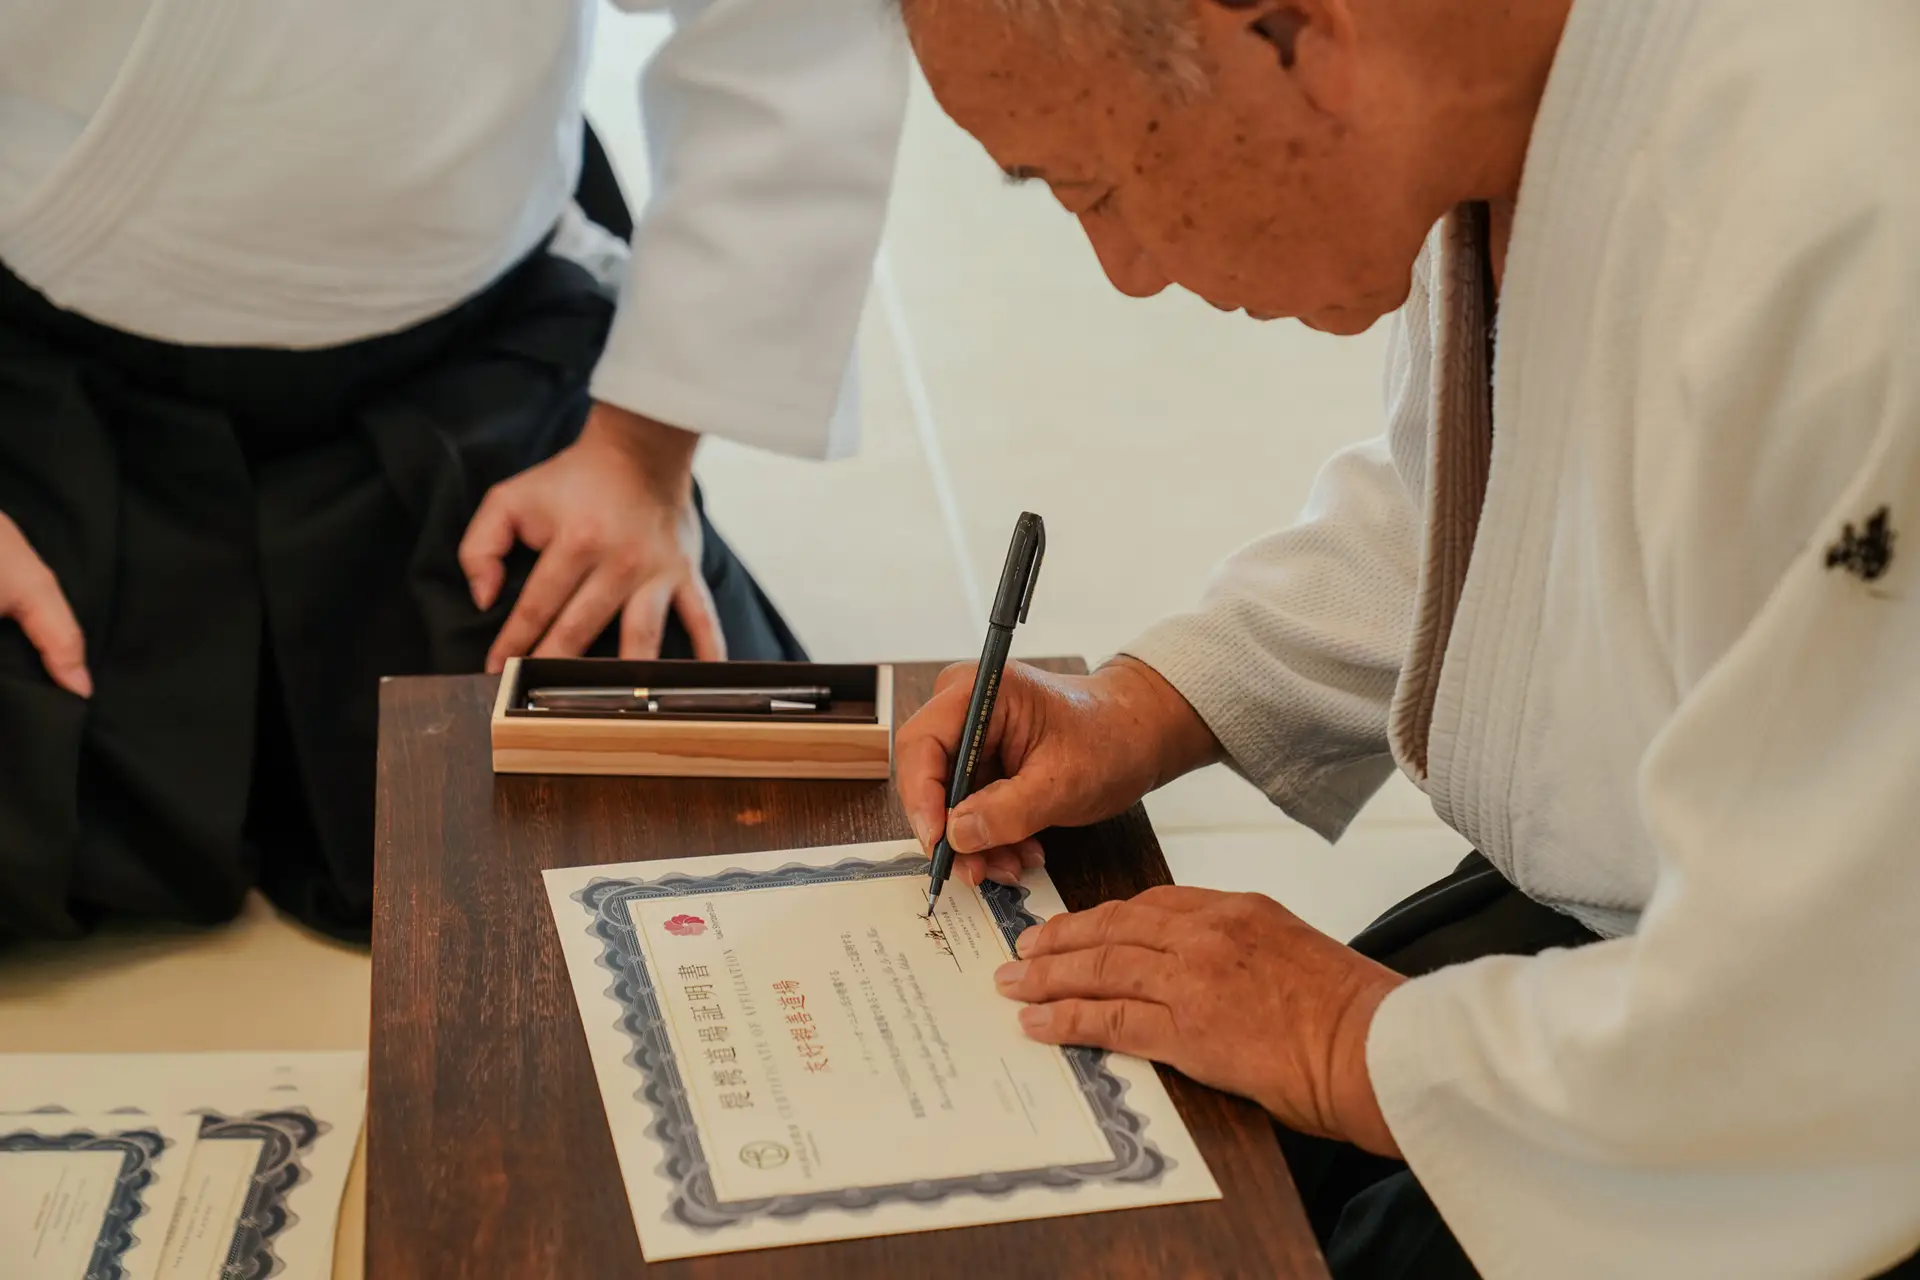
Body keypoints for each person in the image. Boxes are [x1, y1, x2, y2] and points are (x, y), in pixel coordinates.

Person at [890, 0, 1920, 1276]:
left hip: (1794, 1093)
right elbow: (1514, 507)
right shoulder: (1539, 98)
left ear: (1296, 31)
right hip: (1678, 966)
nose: (1127, 266)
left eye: (1094, 189)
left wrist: (1344, 1043)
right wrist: (1148, 701)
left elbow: (1846, 1021)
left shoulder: (1852, 231)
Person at [0, 0, 906, 943]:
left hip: (464, 351)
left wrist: (641, 455)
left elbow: (797, 24)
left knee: (699, 811)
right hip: (38, 366)